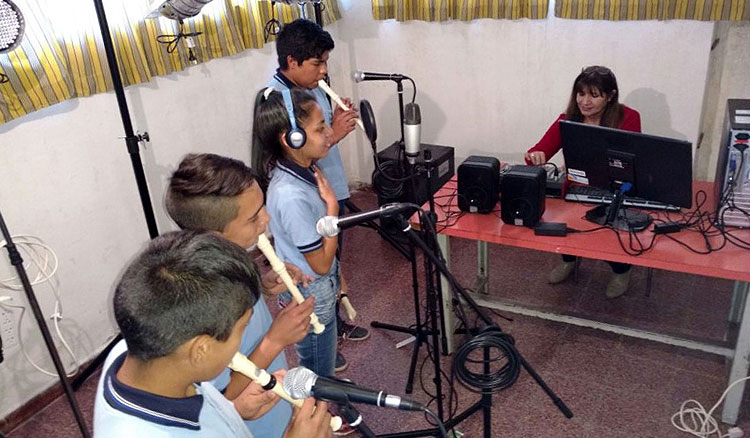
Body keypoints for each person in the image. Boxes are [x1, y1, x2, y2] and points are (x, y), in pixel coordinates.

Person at [93, 231, 332, 438]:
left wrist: (234, 411)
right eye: (243, 328)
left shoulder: (131, 351)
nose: (243, 337)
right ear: (201, 349)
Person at [165, 153, 315, 438]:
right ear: (215, 235)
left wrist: (260, 286)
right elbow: (221, 393)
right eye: (254, 218)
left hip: (273, 393)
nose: (266, 220)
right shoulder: (200, 299)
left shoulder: (229, 260)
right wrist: (275, 340)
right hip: (251, 420)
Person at [263, 18, 370, 374]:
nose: (323, 71)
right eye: (317, 64)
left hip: (321, 196)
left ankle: (332, 327)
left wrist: (332, 121)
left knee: (330, 265)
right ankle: (318, 390)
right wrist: (336, 132)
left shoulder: (307, 95)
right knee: (312, 367)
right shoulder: (282, 103)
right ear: (291, 61)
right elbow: (319, 262)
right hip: (313, 259)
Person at [525, 65, 642, 299]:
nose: (585, 101)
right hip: (578, 186)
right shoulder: (568, 120)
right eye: (581, 94)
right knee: (565, 223)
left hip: (615, 189)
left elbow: (632, 161)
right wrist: (535, 156)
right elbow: (538, 151)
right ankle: (569, 259)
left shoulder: (628, 118)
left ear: (610, 96)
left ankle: (621, 271)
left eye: (594, 95)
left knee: (608, 231)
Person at [255, 87, 343, 380]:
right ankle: (317, 410)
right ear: (292, 139)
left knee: (322, 356)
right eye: (320, 128)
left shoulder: (305, 168)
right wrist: (332, 207)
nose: (329, 132)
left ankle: (323, 391)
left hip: (320, 285)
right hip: (311, 292)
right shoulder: (291, 195)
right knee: (316, 365)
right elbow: (320, 264)